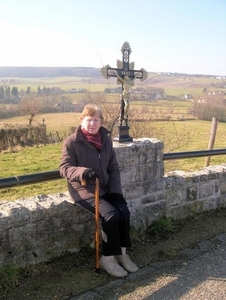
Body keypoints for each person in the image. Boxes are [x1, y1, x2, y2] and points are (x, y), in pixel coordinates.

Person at [59, 103, 138, 278]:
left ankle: (121, 253)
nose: (92, 124)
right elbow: (64, 168)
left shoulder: (105, 139)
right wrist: (82, 172)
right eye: (89, 120)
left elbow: (114, 168)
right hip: (85, 190)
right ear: (82, 121)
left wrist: (116, 192)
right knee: (111, 215)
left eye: (96, 120)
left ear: (101, 121)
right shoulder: (72, 142)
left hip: (106, 188)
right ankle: (108, 258)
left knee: (124, 211)